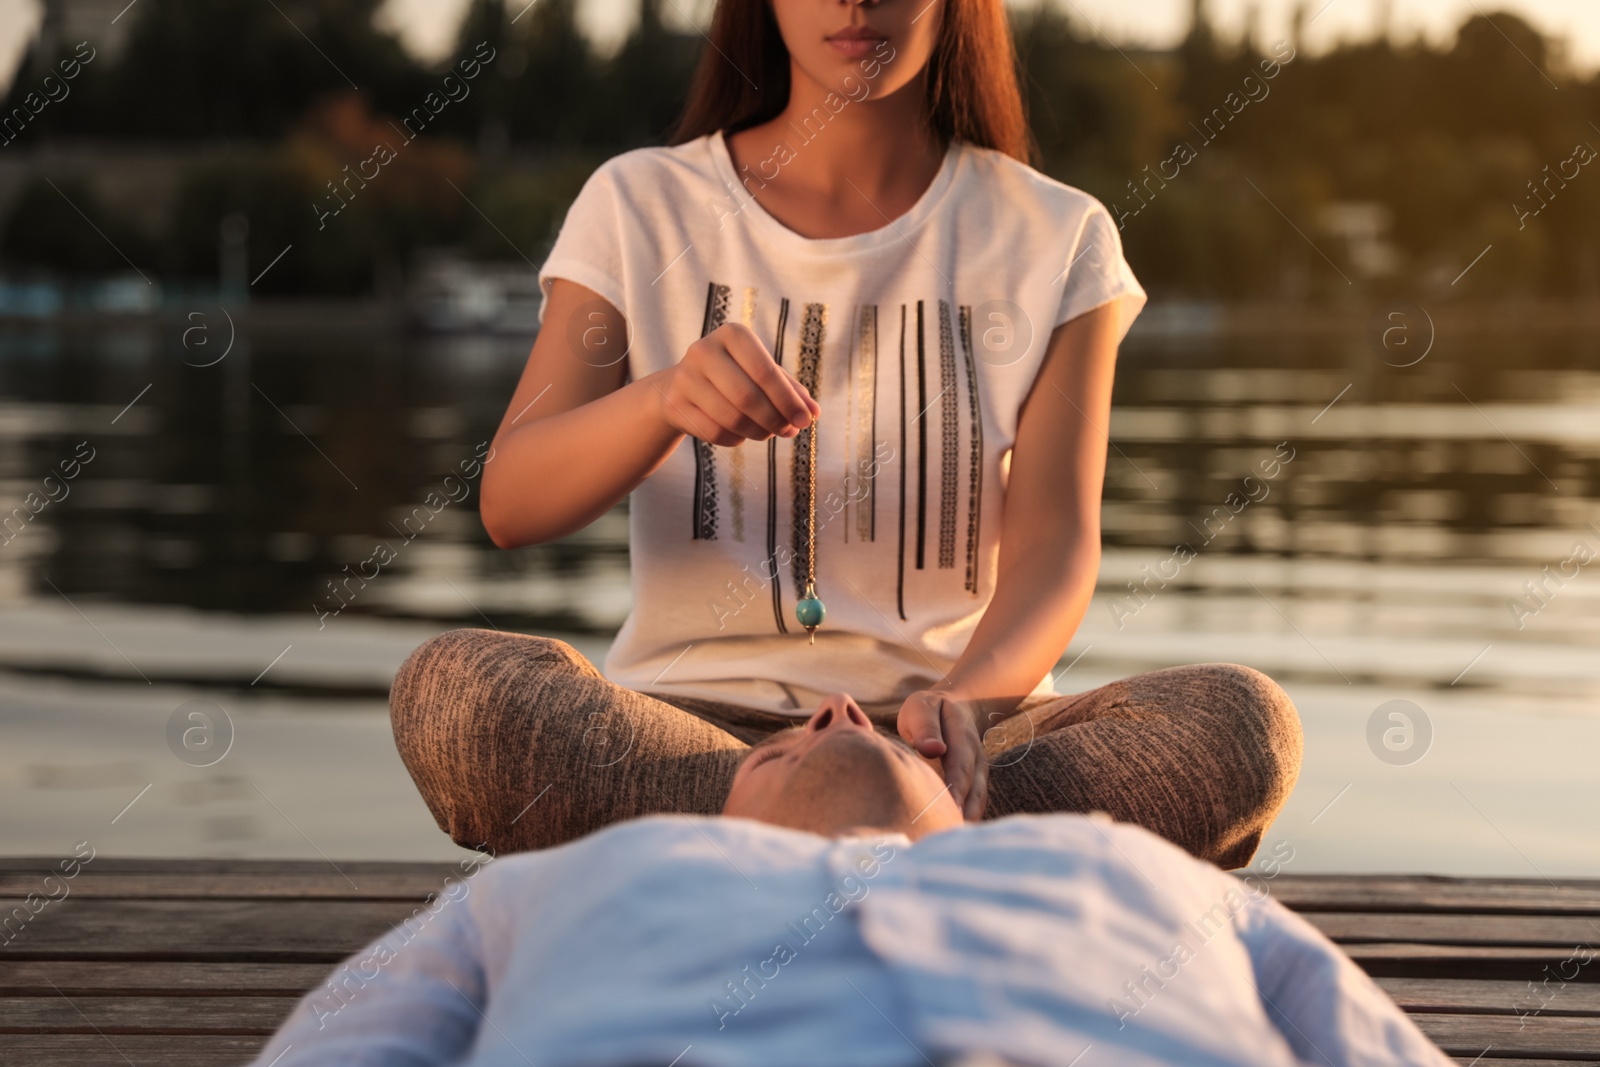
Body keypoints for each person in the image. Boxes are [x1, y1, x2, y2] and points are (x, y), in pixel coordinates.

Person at [390, 0, 1304, 858]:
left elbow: (1056, 547)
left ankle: (776, 834)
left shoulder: (1060, 235)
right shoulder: (638, 204)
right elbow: (511, 500)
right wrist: (661, 399)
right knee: (457, 694)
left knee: (1243, 721)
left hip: (956, 735)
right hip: (695, 733)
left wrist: (966, 708)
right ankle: (908, 835)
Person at [253, 694, 1449, 1067]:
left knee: (1240, 719)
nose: (831, 708)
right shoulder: (579, 873)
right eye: (795, 738)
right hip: (696, 759)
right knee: (462, 689)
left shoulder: (1111, 858)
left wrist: (948, 721)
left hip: (971, 759)